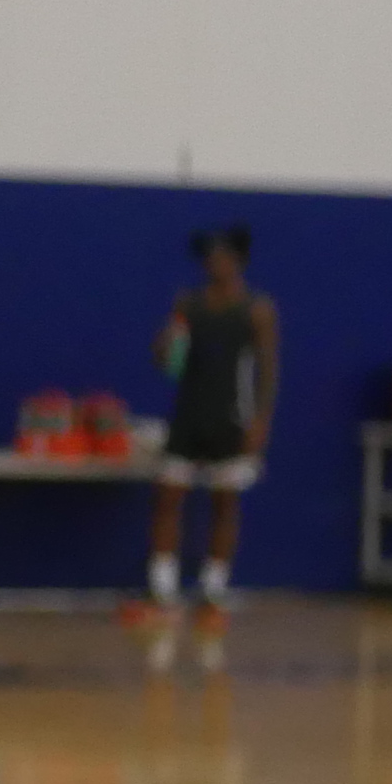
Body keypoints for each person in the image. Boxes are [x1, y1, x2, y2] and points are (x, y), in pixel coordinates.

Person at [143, 223, 279, 618]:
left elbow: (268, 370)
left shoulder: (257, 309)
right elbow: (165, 362)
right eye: (209, 257)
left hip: (232, 416)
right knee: (168, 496)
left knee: (224, 502)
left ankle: (213, 587)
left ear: (237, 261)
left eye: (221, 256)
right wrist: (166, 340)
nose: (213, 263)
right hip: (189, 412)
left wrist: (260, 420)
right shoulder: (188, 304)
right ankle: (162, 586)